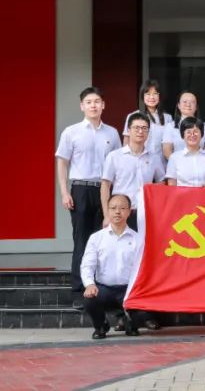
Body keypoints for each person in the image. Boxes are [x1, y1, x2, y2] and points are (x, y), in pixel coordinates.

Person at [55, 86, 122, 302]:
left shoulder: (112, 133)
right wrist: (64, 192)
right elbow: (62, 163)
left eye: (97, 102)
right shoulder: (71, 132)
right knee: (82, 241)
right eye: (89, 102)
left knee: (104, 241)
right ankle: (79, 291)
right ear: (82, 106)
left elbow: (117, 164)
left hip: (104, 190)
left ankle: (101, 289)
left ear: (104, 105)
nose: (93, 105)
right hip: (81, 190)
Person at [80, 194, 145, 339]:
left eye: (122, 208)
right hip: (105, 289)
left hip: (129, 290)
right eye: (113, 208)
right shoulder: (97, 238)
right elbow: (87, 264)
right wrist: (89, 284)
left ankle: (129, 321)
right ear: (108, 211)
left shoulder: (138, 239)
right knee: (90, 299)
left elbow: (142, 267)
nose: (117, 212)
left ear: (129, 212)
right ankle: (101, 325)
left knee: (144, 310)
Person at [101, 112, 166, 230]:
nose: (140, 131)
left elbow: (162, 182)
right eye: (136, 128)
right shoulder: (114, 156)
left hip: (145, 212)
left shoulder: (154, 158)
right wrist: (107, 215)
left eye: (144, 128)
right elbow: (105, 186)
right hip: (120, 212)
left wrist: (149, 189)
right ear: (129, 130)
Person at [165, 117, 205, 187]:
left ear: (201, 134)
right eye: (188, 132)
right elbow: (171, 184)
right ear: (183, 135)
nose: (192, 135)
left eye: (196, 131)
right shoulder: (174, 157)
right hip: (182, 194)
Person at [123, 80, 172, 156]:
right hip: (139, 159)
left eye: (155, 94)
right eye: (148, 94)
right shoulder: (133, 116)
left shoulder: (167, 118)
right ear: (142, 96)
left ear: (159, 96)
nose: (151, 97)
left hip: (160, 161)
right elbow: (126, 142)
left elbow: (170, 144)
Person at [162, 90, 205, 161]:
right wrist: (178, 165)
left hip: (199, 165)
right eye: (184, 102)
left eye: (192, 102)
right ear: (178, 105)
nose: (188, 104)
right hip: (177, 165)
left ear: (196, 106)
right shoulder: (170, 126)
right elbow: (167, 151)